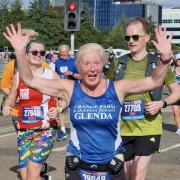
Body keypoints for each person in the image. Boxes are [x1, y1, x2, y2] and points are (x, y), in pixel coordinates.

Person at [4, 23, 172, 180]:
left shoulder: (117, 88)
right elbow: (29, 79)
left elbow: (154, 81)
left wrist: (164, 59)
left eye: (97, 63)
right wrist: (20, 51)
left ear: (103, 65)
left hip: (111, 164)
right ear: (79, 66)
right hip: (78, 164)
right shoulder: (69, 88)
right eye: (86, 63)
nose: (92, 68)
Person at [105, 17, 179, 180]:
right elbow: (106, 90)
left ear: (146, 38)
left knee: (137, 176)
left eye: (135, 37)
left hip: (148, 127)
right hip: (121, 128)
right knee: (126, 176)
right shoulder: (118, 63)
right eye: (127, 37)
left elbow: (177, 92)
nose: (131, 41)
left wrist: (162, 103)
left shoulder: (158, 64)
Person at [2, 39, 62, 180]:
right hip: (24, 130)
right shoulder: (19, 76)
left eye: (42, 52)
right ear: (26, 55)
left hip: (45, 129)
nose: (39, 55)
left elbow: (64, 96)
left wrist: (59, 109)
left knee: (32, 174)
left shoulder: (51, 76)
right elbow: (11, 97)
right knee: (25, 176)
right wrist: (7, 106)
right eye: (34, 52)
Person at [55, 44, 81, 141]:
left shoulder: (74, 62)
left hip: (73, 89)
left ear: (68, 52)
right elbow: (56, 75)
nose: (63, 55)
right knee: (61, 110)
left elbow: (81, 76)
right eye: (61, 53)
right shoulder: (57, 62)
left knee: (75, 112)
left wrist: (72, 73)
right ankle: (63, 131)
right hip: (62, 90)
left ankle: (78, 131)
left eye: (64, 52)